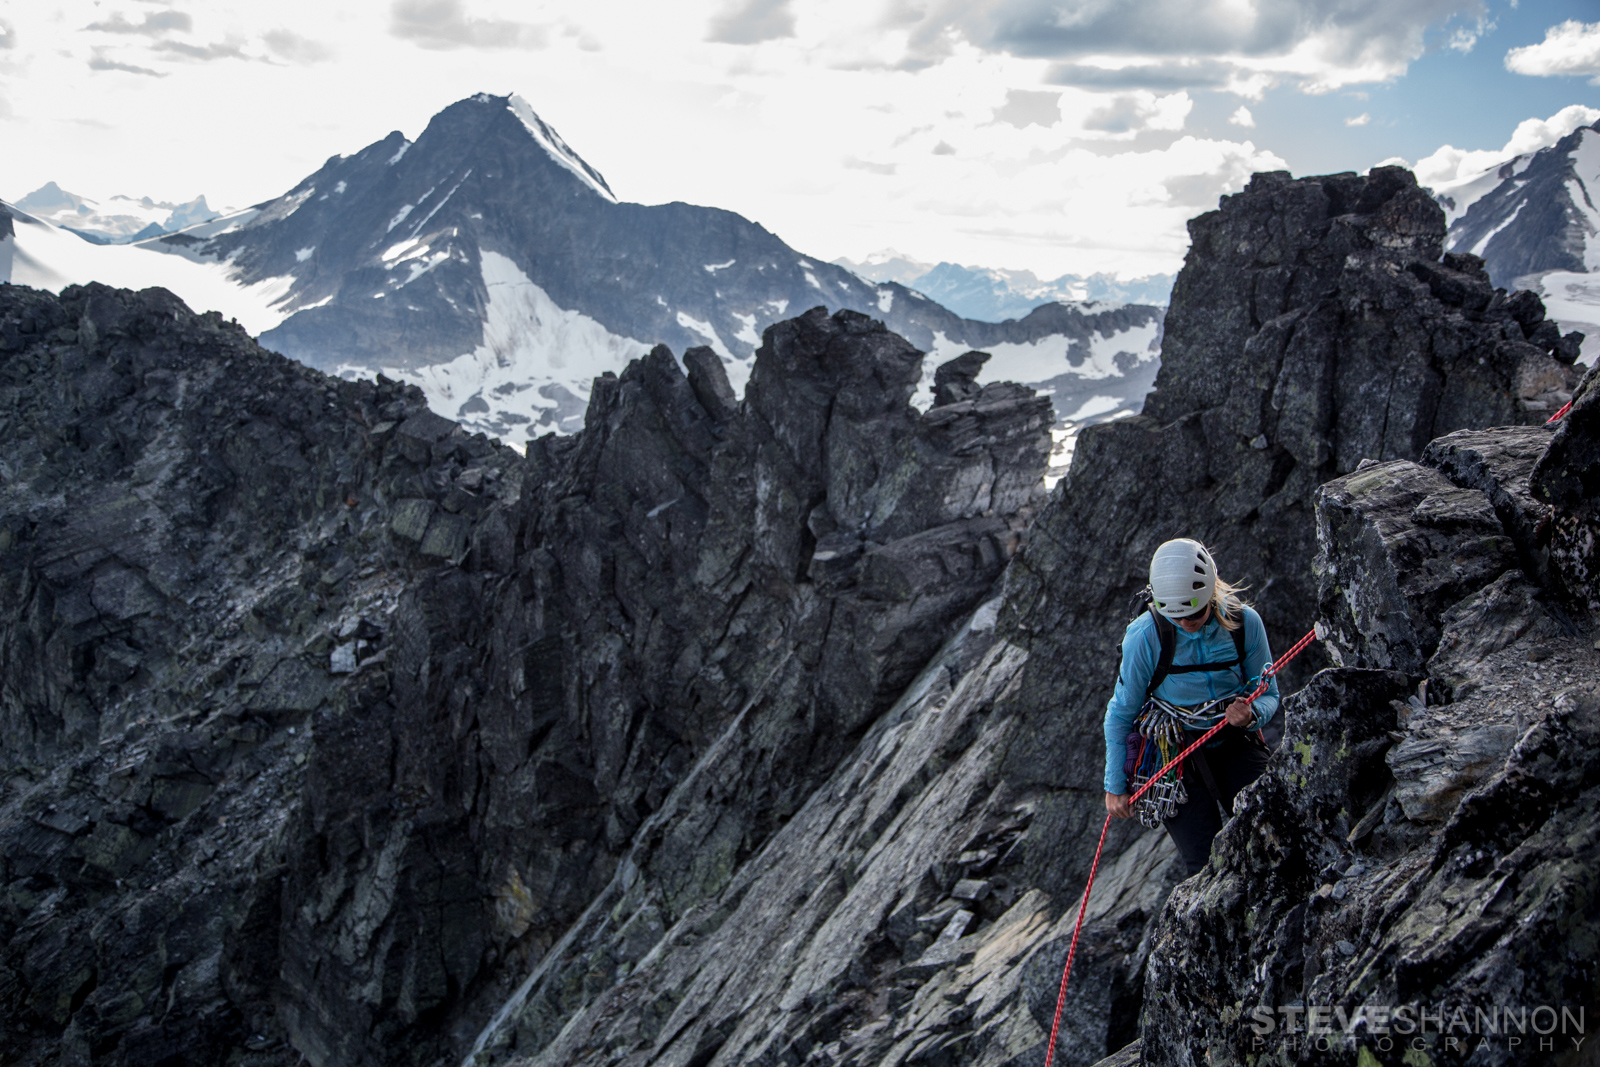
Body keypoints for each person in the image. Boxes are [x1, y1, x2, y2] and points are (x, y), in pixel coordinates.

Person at [1102, 538, 1279, 877]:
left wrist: (1252, 714)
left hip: (1232, 740)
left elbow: (1269, 693)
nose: (1186, 624)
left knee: (1270, 832)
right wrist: (1115, 785)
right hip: (1171, 755)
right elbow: (1121, 712)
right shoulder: (1144, 636)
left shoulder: (1244, 625)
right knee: (1205, 865)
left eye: (1195, 613)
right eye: (1177, 616)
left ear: (1211, 594)